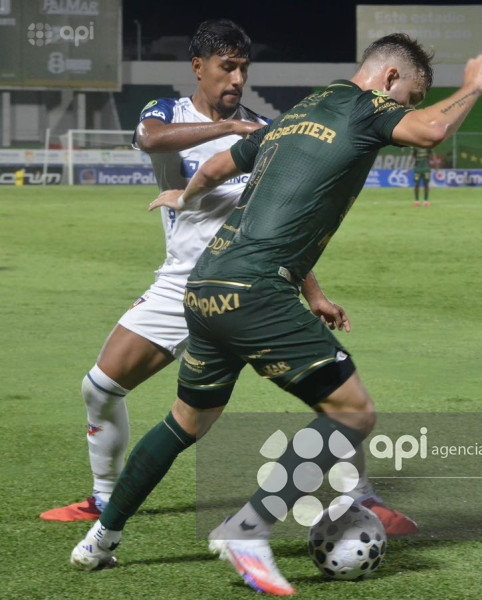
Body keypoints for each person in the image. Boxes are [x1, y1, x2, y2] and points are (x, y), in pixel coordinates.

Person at [70, 34, 482, 594]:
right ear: (390, 80)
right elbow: (434, 131)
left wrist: (186, 198)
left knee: (187, 421)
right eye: (411, 97)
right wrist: (471, 86)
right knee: (353, 415)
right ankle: (247, 530)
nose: (409, 110)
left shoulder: (300, 110)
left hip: (206, 284)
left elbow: (221, 163)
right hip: (257, 292)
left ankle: (100, 539)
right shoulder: (368, 106)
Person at [43, 19, 416, 537]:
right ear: (198, 67)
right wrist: (228, 130)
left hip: (254, 280)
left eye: (244, 68)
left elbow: (288, 219)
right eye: (227, 67)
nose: (237, 78)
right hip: (179, 285)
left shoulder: (275, 129)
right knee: (100, 388)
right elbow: (150, 139)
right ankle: (104, 497)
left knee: (334, 392)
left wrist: (314, 291)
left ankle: (362, 496)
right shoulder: (169, 114)